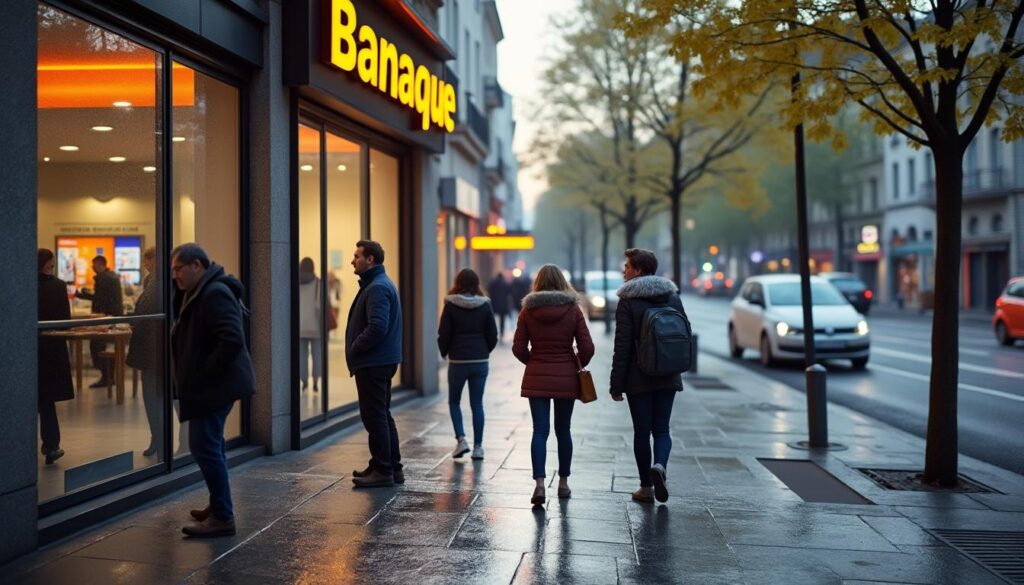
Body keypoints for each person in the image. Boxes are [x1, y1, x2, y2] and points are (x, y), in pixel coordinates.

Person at [170, 243, 255, 537]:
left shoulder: (214, 292)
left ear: (197, 265)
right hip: (214, 385)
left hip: (215, 386)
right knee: (212, 444)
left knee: (203, 446)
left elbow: (231, 339)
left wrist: (203, 374)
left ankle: (222, 515)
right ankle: (218, 503)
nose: (175, 275)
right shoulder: (199, 291)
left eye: (178, 269)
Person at [609, 248, 686, 504]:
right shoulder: (672, 296)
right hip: (668, 372)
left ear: (638, 270)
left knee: (642, 432)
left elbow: (622, 347)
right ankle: (660, 466)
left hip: (638, 376)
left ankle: (646, 487)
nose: (624, 270)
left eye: (627, 266)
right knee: (662, 429)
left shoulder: (628, 301)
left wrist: (616, 384)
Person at [512, 264, 594, 505]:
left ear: (538, 283)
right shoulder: (573, 309)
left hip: (537, 373)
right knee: (563, 430)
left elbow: (518, 348)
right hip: (566, 376)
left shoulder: (528, 310)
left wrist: (534, 361)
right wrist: (575, 363)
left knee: (539, 431)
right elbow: (587, 347)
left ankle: (539, 484)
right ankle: (563, 483)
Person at [347, 240, 404, 488]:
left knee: (374, 416)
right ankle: (391, 467)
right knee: (382, 414)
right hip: (381, 360)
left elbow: (377, 326)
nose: (352, 260)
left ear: (370, 260)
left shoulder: (377, 288)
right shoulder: (379, 284)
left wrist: (355, 346)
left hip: (374, 363)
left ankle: (383, 469)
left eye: (357, 256)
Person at [438, 268, 498, 460]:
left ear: (458, 282)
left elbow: (444, 333)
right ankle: (478, 447)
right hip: (480, 360)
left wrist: (445, 352)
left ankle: (461, 440)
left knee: (454, 401)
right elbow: (493, 334)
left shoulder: (450, 304)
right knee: (477, 404)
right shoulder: (485, 305)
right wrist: (484, 351)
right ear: (476, 283)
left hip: (458, 360)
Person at [37, 249, 74, 464]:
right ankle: (51, 446)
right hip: (51, 350)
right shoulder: (58, 286)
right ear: (49, 263)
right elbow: (65, 321)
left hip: (28, 350)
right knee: (47, 401)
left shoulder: (24, 284)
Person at [126, 247, 164, 457]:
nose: (144, 265)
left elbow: (148, 311)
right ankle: (157, 438)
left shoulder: (163, 281)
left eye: (147, 261)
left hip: (156, 348)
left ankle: (160, 439)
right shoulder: (151, 281)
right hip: (149, 348)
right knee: (151, 397)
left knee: (157, 396)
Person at [76, 255, 123, 387]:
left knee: (96, 345)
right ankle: (108, 377)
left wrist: (82, 295)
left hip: (105, 318)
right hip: (112, 317)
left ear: (100, 265)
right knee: (103, 346)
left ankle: (106, 377)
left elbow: (99, 299)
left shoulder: (103, 278)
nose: (93, 268)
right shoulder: (111, 276)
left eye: (94, 265)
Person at [298, 257, 323, 392]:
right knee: (316, 355)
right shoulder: (318, 283)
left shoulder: (294, 282)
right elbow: (321, 305)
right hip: (315, 326)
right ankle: (315, 381)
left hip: (299, 326)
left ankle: (304, 381)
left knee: (302, 356)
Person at [486, 271, 511, 340]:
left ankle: (492, 332)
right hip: (503, 304)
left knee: (492, 319)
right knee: (502, 320)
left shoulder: (493, 283)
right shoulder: (505, 283)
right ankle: (502, 333)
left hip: (494, 304)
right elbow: (509, 292)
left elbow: (489, 291)